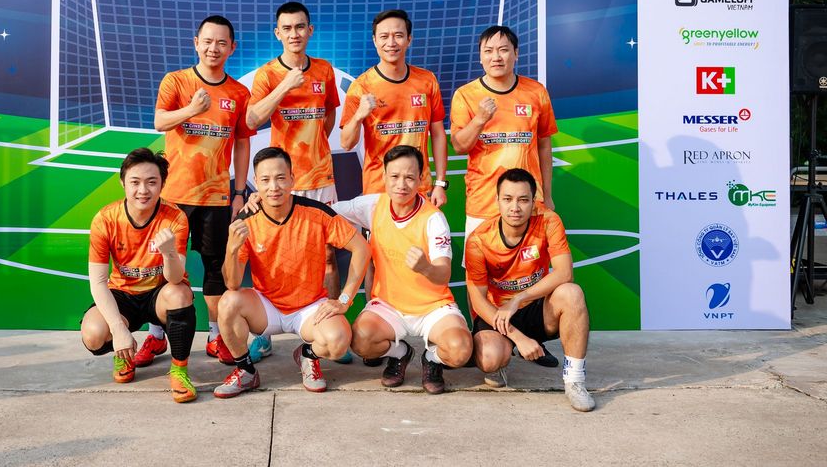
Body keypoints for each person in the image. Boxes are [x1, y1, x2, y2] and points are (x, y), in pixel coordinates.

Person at [213, 147, 370, 397]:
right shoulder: (246, 220)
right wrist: (232, 249)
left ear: (292, 180)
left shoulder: (317, 212)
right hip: (267, 307)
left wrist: (344, 299)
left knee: (338, 342)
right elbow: (232, 283)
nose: (273, 187)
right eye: (265, 180)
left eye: (280, 178)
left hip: (309, 307)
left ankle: (308, 355)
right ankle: (246, 371)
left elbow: (361, 248)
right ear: (256, 182)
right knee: (228, 302)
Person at [246, 2, 344, 366]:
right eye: (286, 28)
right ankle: (263, 335)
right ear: (277, 33)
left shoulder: (324, 69)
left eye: (300, 27)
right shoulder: (268, 74)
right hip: (282, 183)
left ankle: (331, 324)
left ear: (310, 30)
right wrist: (286, 85)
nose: (294, 34)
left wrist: (312, 147)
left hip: (320, 177)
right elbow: (252, 118)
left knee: (329, 256)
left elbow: (328, 114)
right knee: (270, 255)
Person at [154, 15, 254, 364]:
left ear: (232, 48)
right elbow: (160, 121)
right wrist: (191, 109)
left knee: (215, 267)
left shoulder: (238, 93)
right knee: (167, 265)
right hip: (174, 195)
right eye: (208, 41)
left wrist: (238, 192)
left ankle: (216, 336)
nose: (214, 48)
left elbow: (242, 143)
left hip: (216, 197)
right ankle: (155, 335)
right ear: (196, 43)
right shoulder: (176, 81)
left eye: (221, 42)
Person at [332, 145, 471, 394]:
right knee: (361, 341)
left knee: (460, 351)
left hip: (432, 306)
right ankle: (400, 353)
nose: (401, 184)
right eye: (394, 176)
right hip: (389, 305)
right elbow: (325, 211)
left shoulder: (433, 218)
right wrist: (266, 201)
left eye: (409, 177)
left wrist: (425, 267)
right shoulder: (373, 205)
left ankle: (432, 359)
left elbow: (444, 274)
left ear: (421, 178)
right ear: (384, 176)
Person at [465, 168, 594, 411]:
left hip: (535, 307)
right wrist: (518, 337)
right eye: (507, 199)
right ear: (497, 201)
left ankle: (575, 381)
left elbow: (564, 273)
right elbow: (478, 301)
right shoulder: (478, 240)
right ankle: (503, 358)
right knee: (490, 359)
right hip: (498, 313)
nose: (515, 207)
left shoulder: (548, 220)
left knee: (572, 293)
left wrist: (519, 298)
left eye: (523, 200)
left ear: (534, 201)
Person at [79, 148, 198, 403]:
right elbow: (98, 282)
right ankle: (123, 355)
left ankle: (179, 370)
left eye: (151, 182)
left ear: (162, 184)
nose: (143, 190)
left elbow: (175, 278)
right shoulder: (105, 219)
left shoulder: (175, 217)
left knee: (179, 294)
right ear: (123, 183)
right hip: (123, 294)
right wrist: (118, 329)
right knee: (93, 334)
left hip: (159, 294)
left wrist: (168, 252)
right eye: (135, 182)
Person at [451, 25, 557, 244]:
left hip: (529, 202)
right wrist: (480, 119)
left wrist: (546, 195)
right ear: (480, 57)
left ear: (516, 53)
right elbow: (459, 146)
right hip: (483, 203)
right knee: (479, 265)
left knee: (531, 263)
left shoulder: (536, 92)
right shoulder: (465, 95)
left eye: (503, 50)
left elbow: (544, 146)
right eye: (488, 51)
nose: (496, 57)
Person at [340, 9, 448, 205]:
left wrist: (440, 182)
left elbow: (438, 134)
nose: (391, 43)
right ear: (375, 41)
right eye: (384, 36)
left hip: (420, 187)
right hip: (378, 190)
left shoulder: (427, 81)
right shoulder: (362, 86)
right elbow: (346, 143)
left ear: (409, 39)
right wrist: (358, 116)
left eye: (398, 35)